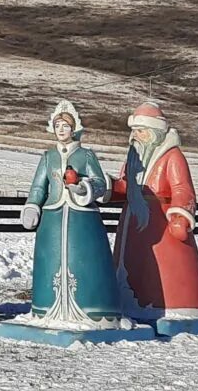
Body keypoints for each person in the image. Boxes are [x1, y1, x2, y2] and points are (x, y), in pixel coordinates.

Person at [19, 101, 126, 328]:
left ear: (74, 128)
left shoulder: (86, 155)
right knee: (51, 261)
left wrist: (83, 187)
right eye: (57, 125)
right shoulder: (48, 157)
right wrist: (32, 206)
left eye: (65, 126)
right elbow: (39, 186)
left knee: (86, 261)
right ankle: (47, 309)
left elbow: (99, 183)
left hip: (82, 217)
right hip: (52, 217)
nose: (61, 130)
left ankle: (95, 310)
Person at [109, 102, 198, 318]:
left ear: (154, 132)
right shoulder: (133, 159)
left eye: (140, 131)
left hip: (160, 224)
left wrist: (180, 214)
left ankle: (170, 306)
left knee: (162, 269)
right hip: (133, 223)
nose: (135, 136)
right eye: (133, 131)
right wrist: (107, 187)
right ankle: (131, 303)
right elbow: (126, 185)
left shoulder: (172, 157)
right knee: (134, 265)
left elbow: (182, 188)